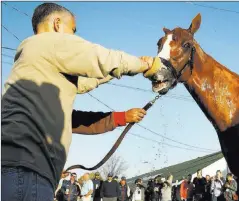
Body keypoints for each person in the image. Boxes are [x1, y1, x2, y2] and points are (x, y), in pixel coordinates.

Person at [1, 2, 158, 201]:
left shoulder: (33, 67)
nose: (73, 38)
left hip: (15, 172)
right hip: (27, 174)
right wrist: (145, 65)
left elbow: (77, 98)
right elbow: (102, 59)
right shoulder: (49, 42)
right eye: (72, 31)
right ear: (57, 24)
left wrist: (119, 117)